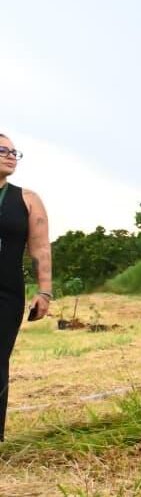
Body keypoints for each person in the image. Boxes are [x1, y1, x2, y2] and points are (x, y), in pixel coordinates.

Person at [0, 134, 51, 442]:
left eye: (14, 152)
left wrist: (44, 290)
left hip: (6, 291)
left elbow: (41, 248)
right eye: (2, 150)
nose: (11, 156)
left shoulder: (27, 199)